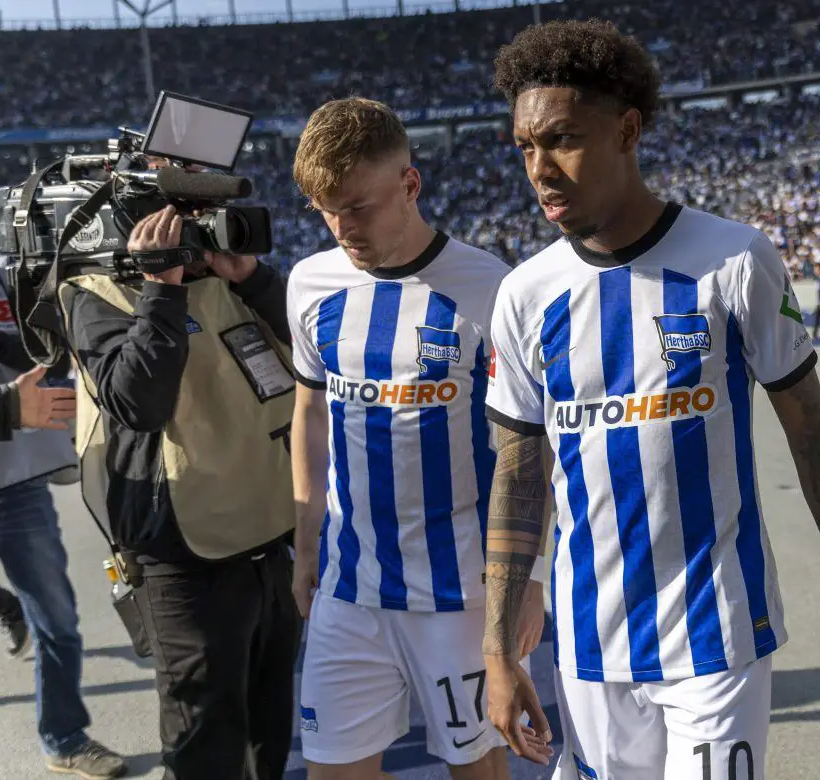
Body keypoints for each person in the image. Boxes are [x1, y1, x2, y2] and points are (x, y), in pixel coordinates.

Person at [481, 20, 820, 779]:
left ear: (628, 131)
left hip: (718, 630)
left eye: (563, 140)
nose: (540, 169)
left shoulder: (735, 259)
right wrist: (499, 651)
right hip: (591, 643)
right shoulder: (526, 294)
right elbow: (518, 477)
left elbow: (809, 430)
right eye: (525, 147)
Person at [286, 97, 544, 780]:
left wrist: (530, 577)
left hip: (459, 596)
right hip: (348, 589)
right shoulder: (309, 284)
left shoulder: (491, 288)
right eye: (324, 210)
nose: (342, 227)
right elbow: (310, 413)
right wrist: (305, 544)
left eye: (357, 206)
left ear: (409, 184)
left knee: (479, 771)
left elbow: (529, 449)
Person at [58, 204, 301, 779]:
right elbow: (138, 403)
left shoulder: (230, 284)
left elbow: (317, 352)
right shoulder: (93, 296)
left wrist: (253, 279)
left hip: (271, 535)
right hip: (183, 556)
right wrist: (161, 289)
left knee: (268, 734)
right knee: (205, 745)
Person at [0, 257, 126, 778]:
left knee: (56, 620)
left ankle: (64, 738)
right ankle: (6, 609)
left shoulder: (2, 276)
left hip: (15, 479)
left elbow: (52, 356)